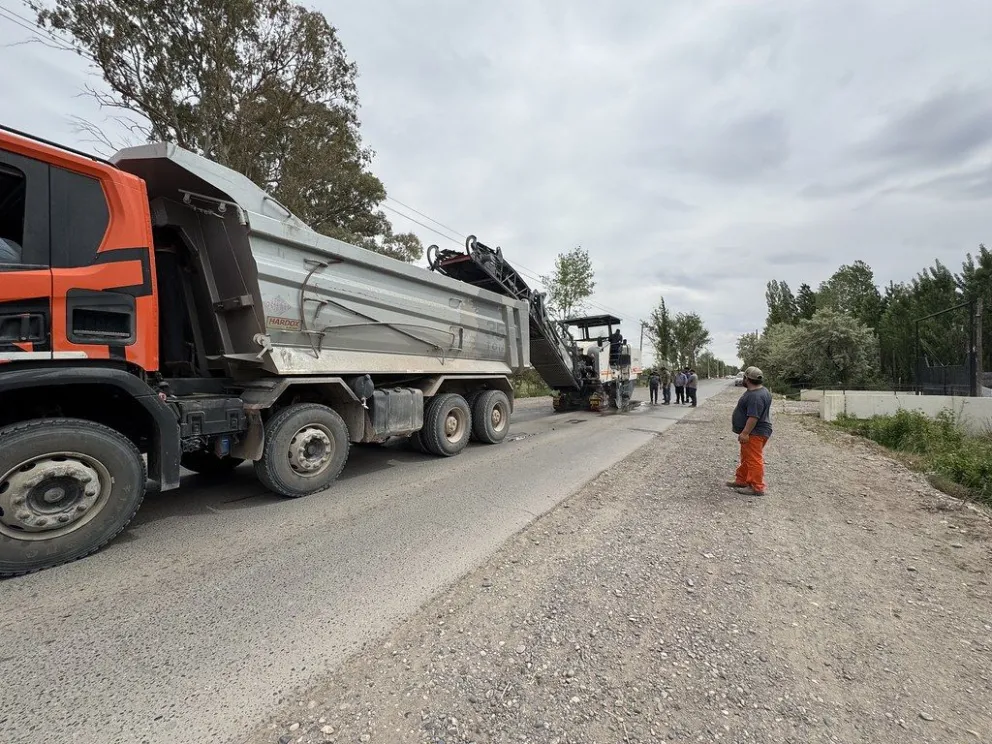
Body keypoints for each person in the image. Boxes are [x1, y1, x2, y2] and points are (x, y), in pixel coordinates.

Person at [728, 366, 773, 496]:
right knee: (747, 458)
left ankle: (756, 487)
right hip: (757, 431)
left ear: (746, 378)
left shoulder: (755, 396)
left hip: (755, 433)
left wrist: (745, 432)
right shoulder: (762, 391)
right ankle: (742, 480)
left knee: (753, 459)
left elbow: (754, 417)